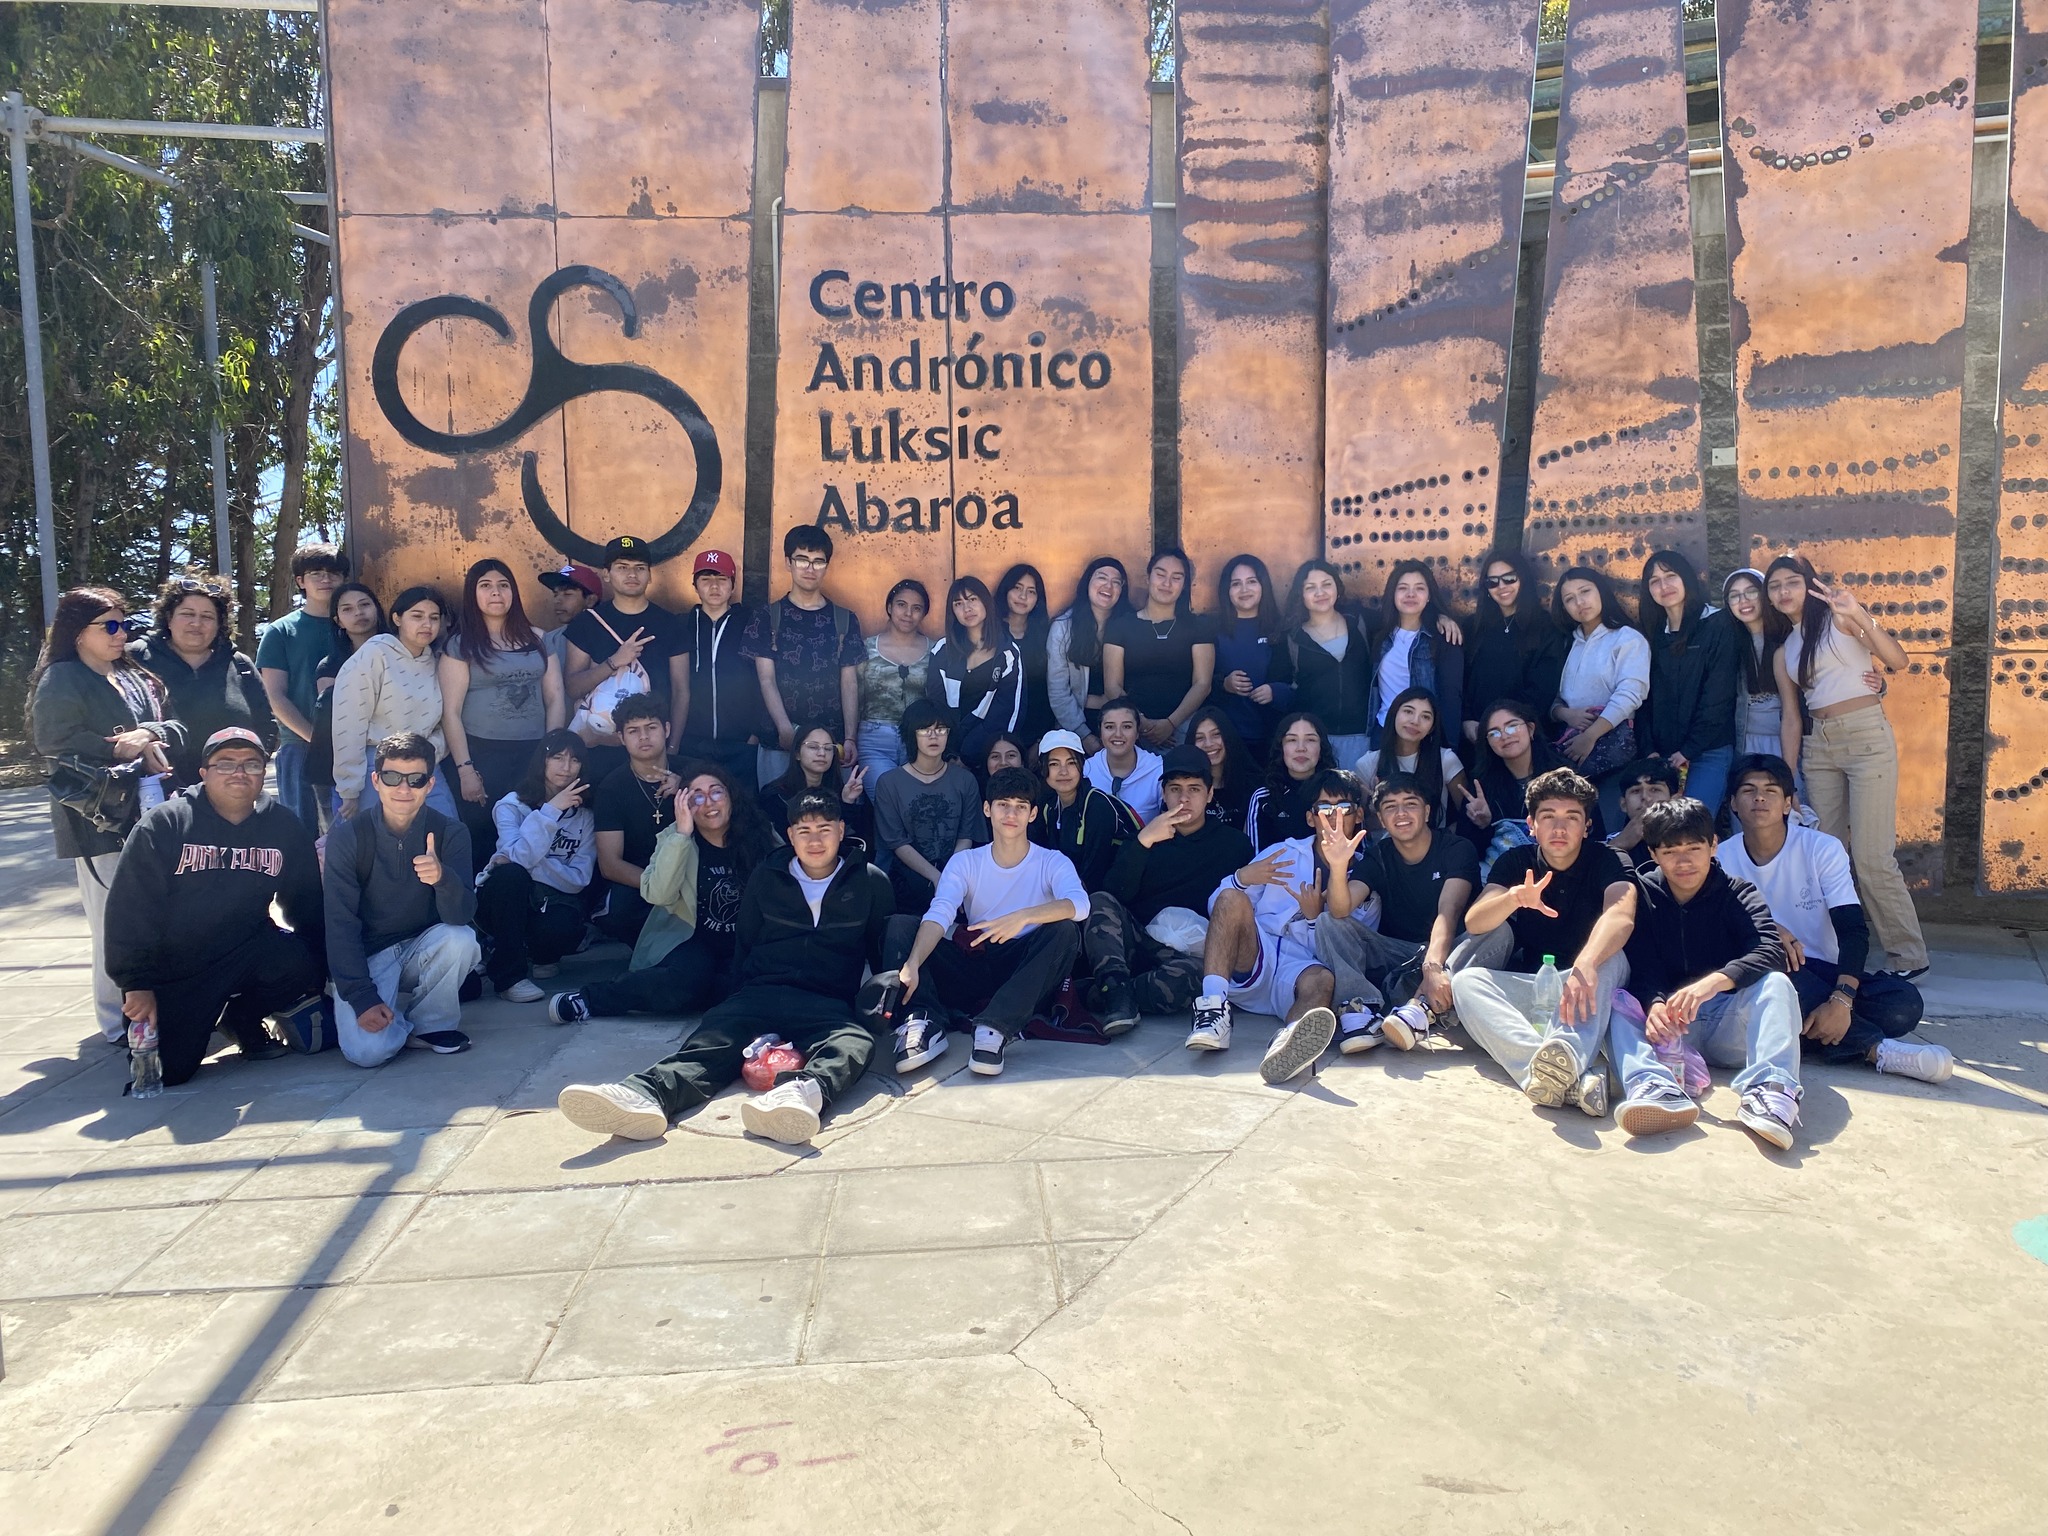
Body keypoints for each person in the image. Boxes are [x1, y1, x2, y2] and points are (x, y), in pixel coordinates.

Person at [555, 789, 895, 1147]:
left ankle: (798, 1095)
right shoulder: (768, 874)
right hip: (761, 992)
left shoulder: (870, 881)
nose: (815, 841)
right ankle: (645, 1095)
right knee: (711, 1043)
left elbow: (880, 951)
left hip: (826, 1002)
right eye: (804, 831)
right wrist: (739, 997)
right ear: (790, 835)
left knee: (855, 1043)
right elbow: (745, 940)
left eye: (824, 829)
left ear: (841, 830)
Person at [103, 727, 324, 1084]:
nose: (239, 772)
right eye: (226, 763)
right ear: (204, 773)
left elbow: (307, 905)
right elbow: (129, 911)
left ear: (263, 772)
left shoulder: (283, 826)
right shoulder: (166, 824)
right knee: (168, 1071)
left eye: (251, 764)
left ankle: (241, 1019)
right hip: (176, 966)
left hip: (247, 948)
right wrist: (135, 983)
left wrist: (323, 969)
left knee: (304, 959)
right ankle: (190, 1021)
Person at [1718, 756, 1949, 1083]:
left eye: (1771, 791)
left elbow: (1852, 929)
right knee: (1778, 972)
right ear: (1733, 804)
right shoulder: (1722, 858)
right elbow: (1719, 932)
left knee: (1902, 1004)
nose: (1759, 798)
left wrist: (1841, 1000)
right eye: (1748, 790)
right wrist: (1766, 929)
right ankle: (1877, 1051)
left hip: (1825, 972)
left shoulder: (1822, 849)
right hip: (1770, 975)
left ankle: (1807, 1034)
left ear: (1788, 803)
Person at [30, 587, 184, 1042]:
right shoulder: (62, 677)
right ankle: (118, 1023)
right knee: (112, 921)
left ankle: (162, 1008)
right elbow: (53, 741)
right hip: (97, 818)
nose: (122, 635)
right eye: (111, 626)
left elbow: (177, 725)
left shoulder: (138, 676)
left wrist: (147, 733)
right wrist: (121, 748)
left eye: (126, 625)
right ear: (78, 632)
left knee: (160, 916)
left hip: (154, 811)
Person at [1609, 797, 1804, 1149]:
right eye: (1670, 851)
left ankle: (1771, 1091)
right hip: (1666, 1029)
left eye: (1694, 848)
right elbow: (1642, 962)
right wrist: (1654, 1003)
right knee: (1617, 999)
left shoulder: (1738, 893)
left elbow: (1770, 950)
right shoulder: (1643, 893)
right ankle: (1654, 1085)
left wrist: (1713, 983)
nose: (1683, 861)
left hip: (1724, 1025)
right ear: (1653, 853)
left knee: (1777, 984)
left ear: (1713, 845)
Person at [1768, 554, 1928, 978]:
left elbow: (1898, 660)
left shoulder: (1840, 620)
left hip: (1865, 738)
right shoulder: (1785, 651)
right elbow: (1791, 717)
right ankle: (1832, 949)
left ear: (1809, 584)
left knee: (1873, 856)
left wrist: (1858, 613)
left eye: (1791, 582)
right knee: (1827, 855)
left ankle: (1908, 956)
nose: (1783, 591)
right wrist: (1788, 778)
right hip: (1818, 748)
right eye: (1775, 586)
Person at [1449, 766, 1636, 1119]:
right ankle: (1563, 1075)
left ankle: (1565, 1055)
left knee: (1612, 956)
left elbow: (1621, 915)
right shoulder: (1516, 862)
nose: (1559, 828)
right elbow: (1475, 921)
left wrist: (1586, 962)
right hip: (1540, 988)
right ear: (1531, 825)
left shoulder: (1609, 859)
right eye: (1548, 816)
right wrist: (1514, 898)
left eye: (1572, 817)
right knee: (1467, 982)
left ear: (1587, 826)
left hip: (1591, 984)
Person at [890, 765, 1089, 1077]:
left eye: (1020, 807)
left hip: (1024, 968)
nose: (1011, 814)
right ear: (987, 809)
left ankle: (994, 1027)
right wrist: (912, 963)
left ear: (1032, 814)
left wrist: (1023, 916)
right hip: (975, 959)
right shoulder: (965, 861)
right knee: (900, 926)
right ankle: (922, 1021)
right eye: (1003, 805)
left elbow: (1080, 904)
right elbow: (941, 912)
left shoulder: (1052, 861)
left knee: (1065, 931)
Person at [551, 763, 773, 1022]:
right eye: (697, 796)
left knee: (750, 982)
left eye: (716, 792)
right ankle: (590, 1000)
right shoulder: (673, 838)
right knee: (687, 981)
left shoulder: (760, 833)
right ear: (685, 804)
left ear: (731, 797)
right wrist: (682, 835)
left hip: (744, 941)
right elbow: (658, 894)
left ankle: (706, 992)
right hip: (690, 940)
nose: (709, 802)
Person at [323, 731, 481, 1063]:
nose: (403, 789)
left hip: (422, 946)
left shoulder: (451, 832)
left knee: (461, 939)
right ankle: (382, 1013)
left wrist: (443, 879)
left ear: (430, 784)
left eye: (416, 779)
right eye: (392, 777)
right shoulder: (348, 837)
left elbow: (462, 915)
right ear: (376, 781)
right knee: (368, 1053)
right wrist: (362, 997)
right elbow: (339, 923)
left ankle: (431, 1025)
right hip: (368, 955)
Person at [1083, 745, 1254, 1030]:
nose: (1184, 798)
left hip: (1190, 955)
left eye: (1194, 789)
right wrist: (1143, 842)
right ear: (1163, 793)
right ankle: (1116, 991)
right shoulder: (1144, 837)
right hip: (1142, 942)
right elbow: (1115, 894)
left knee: (1185, 981)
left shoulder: (1234, 844)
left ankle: (1106, 994)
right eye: (1175, 789)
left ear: (1209, 794)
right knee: (1098, 900)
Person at [1185, 787, 1341, 1087]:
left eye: (1343, 808)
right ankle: (1214, 1009)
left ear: (1358, 815)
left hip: (1302, 967)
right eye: (1324, 808)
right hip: (1257, 952)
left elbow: (1343, 950)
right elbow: (1220, 906)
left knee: (1323, 980)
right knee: (1232, 897)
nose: (1334, 817)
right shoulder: (1284, 852)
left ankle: (1288, 1044)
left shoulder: (1361, 872)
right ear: (1311, 818)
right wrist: (1241, 878)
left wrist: (1313, 920)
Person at [1317, 772, 1477, 1055]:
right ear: (1380, 818)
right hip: (1401, 954)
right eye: (1390, 807)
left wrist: (1433, 967)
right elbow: (1340, 908)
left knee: (1498, 932)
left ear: (1427, 811)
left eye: (1410, 804)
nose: (1401, 813)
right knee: (1328, 921)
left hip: (1450, 952)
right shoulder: (1379, 855)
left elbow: (1448, 911)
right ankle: (1362, 1011)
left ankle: (1421, 1007)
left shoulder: (1456, 848)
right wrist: (1338, 866)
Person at [440, 558, 566, 862]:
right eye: (485, 586)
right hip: (482, 755)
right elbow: (450, 712)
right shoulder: (460, 645)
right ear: (473, 594)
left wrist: (550, 754)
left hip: (532, 753)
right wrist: (465, 770)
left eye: (503, 585)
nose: (496, 592)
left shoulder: (538, 639)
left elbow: (555, 698)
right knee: (484, 838)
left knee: (531, 832)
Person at [475, 730, 596, 1003]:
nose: (566, 767)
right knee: (510, 876)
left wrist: (529, 863)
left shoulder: (585, 816)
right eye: (557, 757)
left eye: (575, 759)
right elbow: (515, 863)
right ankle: (509, 978)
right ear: (542, 760)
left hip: (551, 901)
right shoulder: (510, 805)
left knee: (564, 924)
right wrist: (551, 811)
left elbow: (579, 879)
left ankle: (541, 955)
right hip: (502, 898)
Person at [130, 572, 277, 787]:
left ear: (219, 624)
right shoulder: (135, 659)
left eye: (207, 617)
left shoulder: (240, 665)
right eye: (187, 614)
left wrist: (250, 767)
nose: (196, 623)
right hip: (153, 790)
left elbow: (266, 725)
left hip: (229, 792)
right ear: (169, 618)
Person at [744, 525, 864, 783]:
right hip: (780, 740)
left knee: (832, 806)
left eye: (818, 561)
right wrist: (784, 728)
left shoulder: (844, 619)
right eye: (802, 560)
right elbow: (766, 679)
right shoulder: (767, 616)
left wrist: (850, 737)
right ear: (788, 562)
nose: (810, 569)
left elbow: (849, 682)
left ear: (826, 566)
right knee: (778, 805)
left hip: (830, 744)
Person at [330, 584, 458, 820]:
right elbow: (349, 724)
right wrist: (349, 788)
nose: (426, 624)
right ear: (397, 618)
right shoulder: (373, 655)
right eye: (417, 616)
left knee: (447, 829)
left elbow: (443, 723)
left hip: (424, 764)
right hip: (376, 765)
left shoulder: (435, 662)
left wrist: (429, 752)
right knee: (376, 837)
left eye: (433, 618)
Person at [562, 534, 691, 760]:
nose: (632, 574)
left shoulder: (670, 624)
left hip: (652, 748)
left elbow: (681, 691)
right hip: (597, 745)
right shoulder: (586, 623)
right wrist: (614, 662)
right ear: (607, 574)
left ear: (650, 575)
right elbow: (573, 688)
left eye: (640, 568)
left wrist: (673, 748)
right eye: (622, 567)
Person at [1636, 550, 1738, 816]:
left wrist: (1688, 750)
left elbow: (1719, 697)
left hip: (1707, 751)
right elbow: (1643, 698)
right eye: (1654, 581)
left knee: (1693, 825)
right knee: (1660, 829)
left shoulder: (1717, 624)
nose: (1664, 586)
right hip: (1662, 755)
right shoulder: (1652, 633)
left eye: (1671, 576)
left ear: (1687, 579)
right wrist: (1649, 750)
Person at [1550, 565, 1650, 826]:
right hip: (1571, 750)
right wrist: (1565, 714)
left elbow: (1631, 694)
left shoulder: (1627, 639)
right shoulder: (1566, 643)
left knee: (1608, 825)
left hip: (1613, 750)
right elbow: (1554, 696)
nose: (1579, 602)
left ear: (1601, 592)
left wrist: (1591, 736)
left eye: (1585, 592)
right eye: (1569, 599)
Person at [256, 542, 348, 826]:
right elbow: (275, 697)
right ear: (300, 581)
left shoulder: (356, 626)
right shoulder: (281, 631)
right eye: (316, 573)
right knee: (303, 836)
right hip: (300, 748)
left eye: (333, 573)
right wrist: (317, 740)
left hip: (354, 748)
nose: (326, 579)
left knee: (349, 838)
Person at [872, 698, 987, 912]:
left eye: (941, 729)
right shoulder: (889, 783)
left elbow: (966, 835)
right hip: (906, 883)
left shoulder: (965, 780)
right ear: (911, 734)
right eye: (925, 729)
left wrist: (951, 878)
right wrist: (936, 877)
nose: (934, 736)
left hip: (959, 876)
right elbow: (897, 842)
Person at [590, 695, 681, 944]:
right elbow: (610, 864)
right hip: (639, 877)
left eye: (651, 727)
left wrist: (689, 789)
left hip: (689, 871)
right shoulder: (612, 788)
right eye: (633, 731)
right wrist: (659, 886)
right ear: (621, 738)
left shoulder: (694, 774)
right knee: (618, 914)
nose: (643, 737)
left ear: (666, 729)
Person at [1103, 546, 1215, 748]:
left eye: (1176, 577)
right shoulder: (1120, 626)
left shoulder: (1198, 626)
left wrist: (1170, 724)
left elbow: (1202, 684)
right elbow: (1113, 686)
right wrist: (1142, 724)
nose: (1167, 583)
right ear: (1148, 578)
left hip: (1184, 726)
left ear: (1184, 585)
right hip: (1133, 728)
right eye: (1160, 574)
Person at [1456, 698, 1580, 877]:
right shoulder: (1480, 785)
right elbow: (1468, 852)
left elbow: (1591, 831)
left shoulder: (1565, 776)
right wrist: (1483, 825)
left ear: (1531, 729)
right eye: (1494, 733)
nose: (1505, 736)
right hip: (1498, 876)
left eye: (1512, 726)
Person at [676, 549, 766, 785]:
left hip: (741, 742)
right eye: (706, 579)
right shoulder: (681, 625)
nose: (714, 586)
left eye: (722, 579)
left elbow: (764, 680)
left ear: (733, 585)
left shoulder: (751, 623)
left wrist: (755, 733)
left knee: (741, 803)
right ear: (695, 585)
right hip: (693, 743)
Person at [1463, 549, 1566, 748]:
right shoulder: (1472, 627)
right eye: (1492, 582)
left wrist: (1504, 725)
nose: (1501, 586)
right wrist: (1466, 719)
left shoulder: (1545, 626)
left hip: (1521, 735)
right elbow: (1460, 679)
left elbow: (1543, 687)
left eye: (1509, 578)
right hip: (1474, 734)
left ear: (1522, 578)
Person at [1281, 558, 1377, 766]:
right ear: (1301, 594)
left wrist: (1439, 617)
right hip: (1316, 744)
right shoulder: (1292, 638)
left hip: (1363, 738)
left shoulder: (1360, 621)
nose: (1320, 593)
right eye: (1310, 588)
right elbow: (1285, 688)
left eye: (1326, 584)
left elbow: (1403, 618)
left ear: (1337, 588)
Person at [925, 575, 1025, 767]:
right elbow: (936, 706)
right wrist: (950, 754)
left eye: (972, 599)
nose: (967, 608)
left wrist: (969, 754)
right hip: (946, 757)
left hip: (989, 757)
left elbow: (1008, 712)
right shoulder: (942, 651)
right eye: (958, 603)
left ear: (986, 602)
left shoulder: (1007, 653)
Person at [1363, 560, 1465, 746]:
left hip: (1424, 737)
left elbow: (1451, 698)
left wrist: (1448, 746)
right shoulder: (1379, 633)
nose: (1410, 594)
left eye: (1419, 588)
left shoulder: (1443, 639)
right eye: (1403, 588)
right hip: (1384, 731)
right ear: (1393, 594)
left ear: (1429, 596)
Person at [309, 582, 385, 829]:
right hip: (341, 765)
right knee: (348, 838)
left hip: (394, 758)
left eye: (364, 605)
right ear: (338, 621)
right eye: (347, 609)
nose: (358, 613)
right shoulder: (330, 666)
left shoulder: (401, 653)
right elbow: (340, 717)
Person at [1032, 728, 1140, 890]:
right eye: (1054, 764)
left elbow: (1095, 873)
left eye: (1071, 763)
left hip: (1107, 895)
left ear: (1082, 765)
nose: (1063, 771)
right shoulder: (1049, 807)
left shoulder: (1098, 806)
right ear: (1043, 768)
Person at [1209, 553, 1293, 756]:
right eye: (1236, 584)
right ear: (1227, 590)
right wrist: (1224, 684)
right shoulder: (1212, 630)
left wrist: (1275, 691)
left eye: (1252, 581)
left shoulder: (1281, 631)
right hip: (1225, 740)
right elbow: (1199, 683)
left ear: (1263, 585)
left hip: (1272, 740)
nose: (1244, 589)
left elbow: (1299, 684)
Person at [1046, 555, 1130, 752]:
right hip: (1076, 723)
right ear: (1087, 583)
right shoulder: (1063, 628)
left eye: (1116, 582)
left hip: (1124, 722)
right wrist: (1084, 736)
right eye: (1101, 577)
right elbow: (1058, 691)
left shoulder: (1130, 625)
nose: (1108, 586)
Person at [1352, 685, 1467, 826]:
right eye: (1408, 711)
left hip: (1434, 838)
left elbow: (1466, 815)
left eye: (1425, 716)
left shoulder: (1446, 760)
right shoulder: (1367, 764)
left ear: (1432, 727)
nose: (1415, 721)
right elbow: (1360, 824)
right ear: (1394, 714)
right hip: (1384, 840)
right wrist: (1375, 809)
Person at [1720, 568, 1800, 762]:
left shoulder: (1790, 637)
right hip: (1745, 744)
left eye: (1751, 592)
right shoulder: (1728, 644)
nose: (1743, 601)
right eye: (1734, 596)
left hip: (1791, 744)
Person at [854, 577, 933, 773]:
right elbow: (853, 696)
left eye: (916, 608)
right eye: (901, 605)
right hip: (874, 737)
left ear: (924, 613)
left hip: (920, 740)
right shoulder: (866, 648)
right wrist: (849, 737)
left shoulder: (936, 650)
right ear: (889, 607)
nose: (908, 613)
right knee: (881, 789)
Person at [759, 720, 873, 854]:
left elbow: (849, 840)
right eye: (813, 747)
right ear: (797, 753)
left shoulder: (840, 791)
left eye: (828, 748)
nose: (822, 753)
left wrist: (847, 802)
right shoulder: (775, 796)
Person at [1244, 710, 1334, 848]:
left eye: (1310, 740)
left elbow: (1358, 852)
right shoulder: (1263, 798)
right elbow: (1255, 855)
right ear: (1281, 748)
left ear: (1322, 748)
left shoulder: (1340, 794)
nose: (1301, 748)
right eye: (1292, 740)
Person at [996, 563, 1056, 743]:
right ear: (1006, 590)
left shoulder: (1045, 636)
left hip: (1036, 733)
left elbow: (1046, 693)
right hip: (993, 734)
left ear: (1038, 599)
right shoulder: (990, 632)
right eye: (1017, 588)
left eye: (1031, 591)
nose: (1023, 596)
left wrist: (1040, 740)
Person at [1082, 696, 1162, 821]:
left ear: (1137, 732)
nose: (1118, 734)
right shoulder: (1087, 770)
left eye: (1127, 727)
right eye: (1109, 727)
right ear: (1100, 732)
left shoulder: (1158, 770)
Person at [1607, 756, 1680, 875]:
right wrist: (1619, 844)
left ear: (1675, 800)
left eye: (1655, 789)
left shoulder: (1694, 839)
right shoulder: (1604, 845)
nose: (1645, 797)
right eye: (1636, 791)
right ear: (1623, 804)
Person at [1187, 705, 1256, 830]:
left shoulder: (1254, 785)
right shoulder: (1184, 789)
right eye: (1200, 738)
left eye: (1216, 734)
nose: (1209, 744)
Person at [536, 561, 602, 678]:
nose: (557, 600)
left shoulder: (607, 636)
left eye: (567, 594)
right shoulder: (549, 640)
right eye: (555, 594)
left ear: (590, 600)